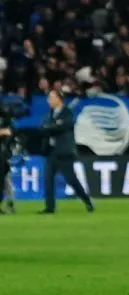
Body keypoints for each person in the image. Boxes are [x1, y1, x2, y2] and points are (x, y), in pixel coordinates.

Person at [39, 86, 97, 214]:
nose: (49, 100)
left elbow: (64, 126)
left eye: (51, 98)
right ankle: (50, 207)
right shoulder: (49, 114)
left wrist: (50, 127)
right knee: (48, 180)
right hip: (51, 151)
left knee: (71, 180)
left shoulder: (67, 113)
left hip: (64, 152)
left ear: (59, 99)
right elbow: (42, 128)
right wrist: (53, 126)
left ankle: (87, 200)